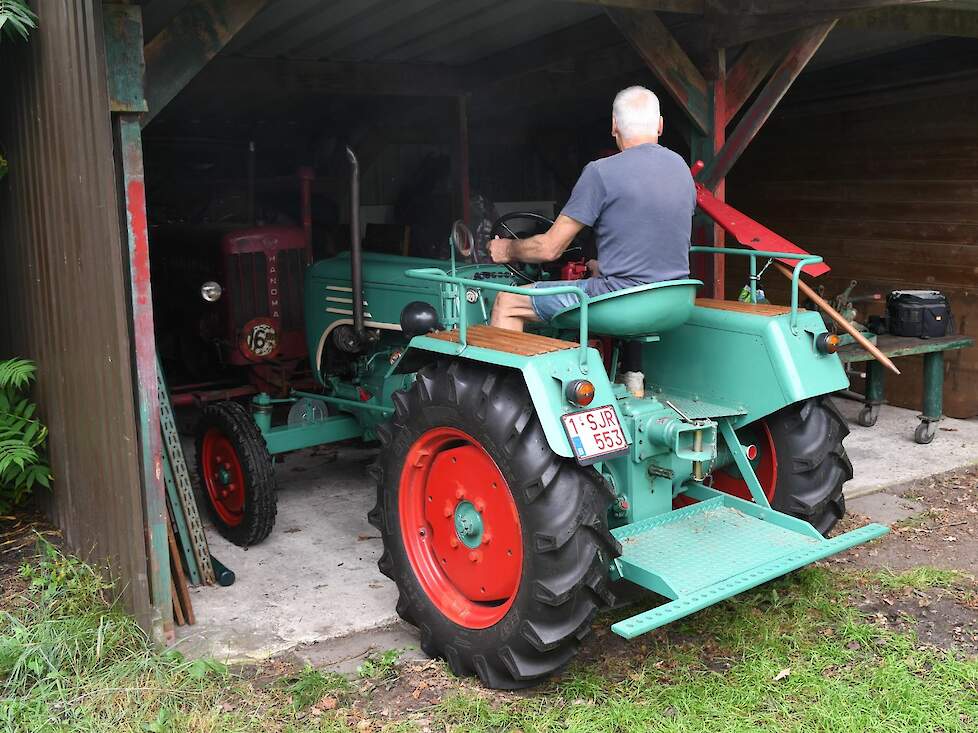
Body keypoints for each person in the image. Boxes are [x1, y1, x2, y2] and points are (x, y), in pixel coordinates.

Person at [488, 85, 696, 332]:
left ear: (614, 125)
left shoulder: (601, 172)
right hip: (676, 300)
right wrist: (603, 268)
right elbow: (653, 236)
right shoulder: (681, 168)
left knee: (508, 302)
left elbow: (549, 249)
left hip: (626, 302)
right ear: (660, 125)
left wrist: (508, 249)